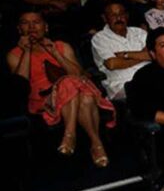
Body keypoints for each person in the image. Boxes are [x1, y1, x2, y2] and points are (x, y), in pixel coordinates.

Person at [7, 9, 114, 166]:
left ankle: (78, 138)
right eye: (25, 23)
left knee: (78, 91)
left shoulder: (61, 46)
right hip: (43, 100)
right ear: (19, 29)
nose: (31, 27)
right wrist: (27, 52)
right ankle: (92, 142)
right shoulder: (15, 54)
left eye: (36, 22)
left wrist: (56, 54)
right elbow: (20, 85)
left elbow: (78, 75)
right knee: (76, 89)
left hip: (74, 92)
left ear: (46, 27)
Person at [90, 1, 149, 100]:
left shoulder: (139, 32)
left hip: (150, 76)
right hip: (121, 85)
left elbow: (154, 53)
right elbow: (112, 64)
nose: (118, 18)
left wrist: (126, 55)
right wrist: (142, 55)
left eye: (121, 14)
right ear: (105, 18)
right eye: (113, 15)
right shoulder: (99, 38)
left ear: (127, 16)